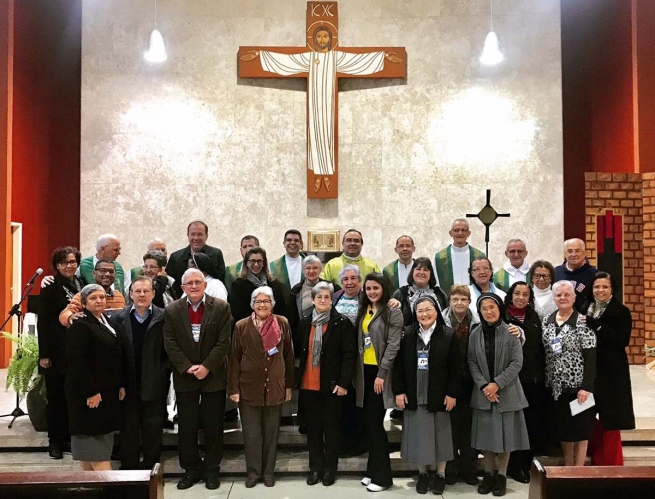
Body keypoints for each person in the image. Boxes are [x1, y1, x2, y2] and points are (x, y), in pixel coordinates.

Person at [164, 268, 232, 490]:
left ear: (204, 285)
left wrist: (207, 367)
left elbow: (224, 342)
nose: (193, 286)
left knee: (213, 425)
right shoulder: (173, 310)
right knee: (187, 426)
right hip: (186, 377)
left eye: (197, 282)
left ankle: (212, 470)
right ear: (182, 288)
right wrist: (187, 367)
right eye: (189, 283)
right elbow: (170, 343)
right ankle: (191, 470)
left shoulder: (221, 307)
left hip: (212, 376)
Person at [393, 295, 461, 495]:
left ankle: (440, 474)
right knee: (418, 437)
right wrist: (399, 391)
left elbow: (456, 368)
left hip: (439, 395)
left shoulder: (448, 335)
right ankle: (422, 473)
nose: (424, 314)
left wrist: (451, 393)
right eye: (420, 311)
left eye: (428, 309)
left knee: (440, 437)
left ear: (437, 311)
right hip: (415, 394)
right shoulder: (407, 334)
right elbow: (398, 366)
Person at [228, 287, 295, 488]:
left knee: (271, 433)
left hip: (275, 386)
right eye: (258, 301)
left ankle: (268, 473)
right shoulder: (241, 326)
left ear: (272, 304)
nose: (262, 305)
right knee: (251, 434)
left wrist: (289, 385)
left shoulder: (282, 323)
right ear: (252, 305)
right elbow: (234, 359)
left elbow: (288, 356)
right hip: (248, 388)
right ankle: (253, 473)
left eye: (266, 301)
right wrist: (233, 389)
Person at [468, 293, 529, 496]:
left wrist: (497, 384)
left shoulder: (512, 331)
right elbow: (472, 362)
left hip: (507, 393)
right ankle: (488, 475)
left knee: (506, 439)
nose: (488, 311)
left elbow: (516, 363)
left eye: (492, 307)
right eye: (484, 308)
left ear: (500, 308)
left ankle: (501, 475)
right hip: (483, 394)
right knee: (486, 439)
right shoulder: (475, 332)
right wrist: (485, 386)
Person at [297, 282, 356, 486]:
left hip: (331, 386)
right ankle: (315, 468)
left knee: (331, 430)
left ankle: (330, 469)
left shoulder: (342, 323)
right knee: (313, 431)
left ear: (332, 300)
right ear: (312, 300)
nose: (323, 300)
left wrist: (343, 383)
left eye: (327, 297)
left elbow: (349, 356)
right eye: (319, 297)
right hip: (308, 385)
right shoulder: (305, 322)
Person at [65, 284, 127, 471]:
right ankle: (107, 490)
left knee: (90, 453)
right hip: (89, 396)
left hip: (105, 393)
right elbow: (76, 361)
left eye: (101, 297)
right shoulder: (81, 325)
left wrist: (121, 384)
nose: (99, 300)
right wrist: (90, 391)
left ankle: (89, 489)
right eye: (93, 298)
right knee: (95, 449)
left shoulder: (106, 321)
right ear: (83, 303)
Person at [111, 277, 169, 470]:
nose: (142, 295)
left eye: (146, 291)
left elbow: (171, 349)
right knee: (128, 430)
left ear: (153, 294)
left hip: (154, 381)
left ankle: (151, 469)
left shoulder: (164, 317)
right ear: (131, 294)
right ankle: (129, 469)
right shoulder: (117, 319)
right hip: (127, 383)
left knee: (153, 428)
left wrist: (162, 372)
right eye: (138, 291)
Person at [354, 273, 403, 492]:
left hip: (379, 372)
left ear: (384, 288)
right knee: (369, 424)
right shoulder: (364, 308)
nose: (372, 292)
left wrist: (382, 374)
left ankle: (383, 477)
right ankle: (372, 471)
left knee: (376, 424)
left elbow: (393, 345)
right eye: (368, 288)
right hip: (363, 371)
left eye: (376, 288)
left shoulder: (392, 310)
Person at [581, 272, 635, 466]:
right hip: (589, 371)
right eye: (597, 287)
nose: (600, 290)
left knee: (610, 420)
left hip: (612, 373)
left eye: (605, 287)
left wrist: (598, 327)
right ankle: (590, 456)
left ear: (612, 289)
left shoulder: (621, 311)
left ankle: (611, 464)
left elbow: (622, 340)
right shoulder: (584, 308)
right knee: (586, 416)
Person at [542, 280, 597, 467]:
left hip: (579, 387)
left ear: (574, 297)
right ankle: (568, 466)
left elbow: (591, 358)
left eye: (567, 294)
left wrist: (586, 387)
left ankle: (579, 470)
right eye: (559, 295)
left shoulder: (582, 322)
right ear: (554, 298)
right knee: (565, 431)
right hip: (557, 388)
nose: (563, 298)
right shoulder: (547, 321)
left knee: (580, 431)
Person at [37, 246, 83, 459]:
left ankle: (66, 439)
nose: (69, 266)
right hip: (55, 352)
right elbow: (43, 323)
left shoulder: (80, 283)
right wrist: (44, 354)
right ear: (57, 265)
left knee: (69, 398)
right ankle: (54, 442)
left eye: (72, 261)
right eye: (64, 262)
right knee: (55, 399)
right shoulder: (50, 286)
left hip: (75, 351)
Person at [504, 282, 549, 484]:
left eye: (525, 294)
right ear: (510, 295)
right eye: (517, 293)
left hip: (534, 381)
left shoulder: (534, 316)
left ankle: (526, 464)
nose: (521, 297)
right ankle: (513, 465)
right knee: (514, 426)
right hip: (512, 381)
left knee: (531, 425)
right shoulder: (503, 316)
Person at [442, 285, 480, 486]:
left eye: (463, 300)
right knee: (449, 427)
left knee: (470, 427)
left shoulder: (477, 321)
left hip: (471, 381)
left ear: (469, 302)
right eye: (455, 299)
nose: (459, 303)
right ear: (449, 301)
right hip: (448, 381)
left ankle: (469, 468)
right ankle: (450, 467)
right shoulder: (440, 320)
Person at [166, 221, 226, 297]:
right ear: (188, 235)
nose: (196, 238)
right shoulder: (176, 257)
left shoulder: (216, 254)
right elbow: (171, 285)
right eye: (193, 234)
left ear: (206, 236)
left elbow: (221, 278)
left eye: (200, 234)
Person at [59, 260, 126, 326]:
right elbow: (65, 314)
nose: (107, 274)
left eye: (111, 271)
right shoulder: (83, 295)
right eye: (103, 270)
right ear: (94, 273)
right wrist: (70, 318)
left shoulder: (119, 296)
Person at [229, 247, 287, 322]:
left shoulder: (274, 284)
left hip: (273, 327)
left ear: (264, 263)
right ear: (246, 263)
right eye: (252, 261)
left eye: (259, 261)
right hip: (249, 328)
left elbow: (281, 308)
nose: (256, 265)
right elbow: (237, 312)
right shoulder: (238, 285)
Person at [389, 257, 448, 326]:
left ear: (430, 273)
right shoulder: (401, 293)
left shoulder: (439, 293)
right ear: (412, 272)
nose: (421, 272)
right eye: (418, 269)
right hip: (408, 335)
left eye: (425, 270)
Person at [434, 219, 485, 293]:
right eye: (456, 230)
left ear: (469, 233)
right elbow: (436, 283)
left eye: (463, 230)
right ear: (451, 233)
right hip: (449, 301)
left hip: (474, 300)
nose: (460, 233)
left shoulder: (479, 256)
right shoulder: (439, 258)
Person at [554, 238, 597, 310]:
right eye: (570, 251)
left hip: (585, 319)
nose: (573, 254)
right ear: (565, 254)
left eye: (577, 251)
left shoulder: (595, 275)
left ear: (584, 253)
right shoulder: (555, 272)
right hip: (559, 318)